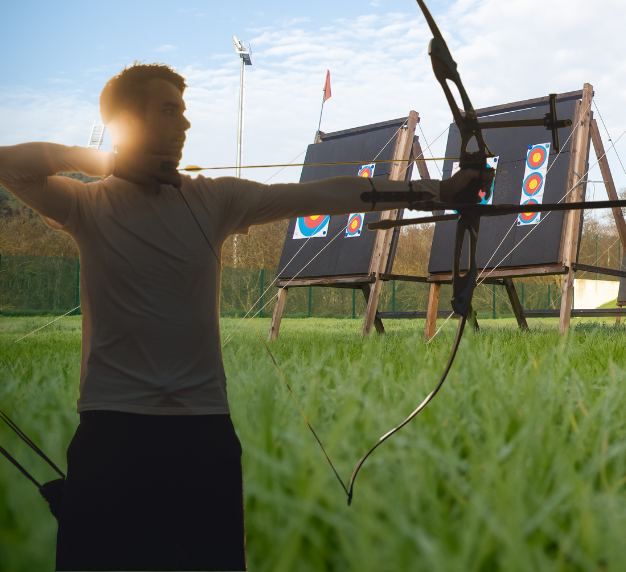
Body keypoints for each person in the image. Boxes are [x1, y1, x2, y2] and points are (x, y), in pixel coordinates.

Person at [0, 63, 487, 571]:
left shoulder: (212, 199)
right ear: (127, 121)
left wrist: (434, 193)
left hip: (202, 432)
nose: (184, 124)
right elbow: (8, 164)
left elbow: (320, 195)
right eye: (168, 111)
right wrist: (104, 160)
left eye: (184, 113)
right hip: (112, 430)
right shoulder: (86, 203)